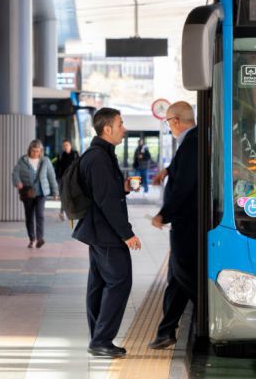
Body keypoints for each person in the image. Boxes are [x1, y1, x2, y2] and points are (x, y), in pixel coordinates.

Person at [72, 107, 141, 358]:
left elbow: (105, 193)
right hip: (106, 233)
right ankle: (101, 339)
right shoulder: (99, 157)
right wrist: (127, 234)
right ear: (107, 129)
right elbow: (105, 201)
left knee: (100, 284)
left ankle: (98, 337)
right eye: (121, 124)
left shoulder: (100, 154)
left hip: (99, 231)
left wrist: (122, 187)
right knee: (120, 281)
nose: (124, 128)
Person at [149, 101, 198, 349]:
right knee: (177, 278)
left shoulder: (191, 142)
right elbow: (185, 171)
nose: (169, 127)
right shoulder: (194, 141)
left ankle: (208, 314)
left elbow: (185, 185)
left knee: (185, 275)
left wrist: (164, 214)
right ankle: (165, 331)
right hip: (187, 223)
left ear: (176, 121)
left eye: (168, 122)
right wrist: (168, 170)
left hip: (187, 224)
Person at [12, 139, 59, 248]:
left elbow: (51, 176)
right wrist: (17, 182)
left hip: (42, 192)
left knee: (40, 214)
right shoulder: (22, 160)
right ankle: (32, 238)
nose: (35, 153)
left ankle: (40, 238)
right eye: (33, 151)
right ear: (29, 150)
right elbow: (15, 173)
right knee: (29, 216)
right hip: (27, 192)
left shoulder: (45, 161)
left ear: (41, 151)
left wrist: (55, 191)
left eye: (38, 151)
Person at [54, 138, 79, 221]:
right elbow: (57, 168)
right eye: (64, 146)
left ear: (70, 146)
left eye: (67, 145)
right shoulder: (60, 155)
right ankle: (62, 212)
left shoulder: (75, 154)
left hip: (73, 179)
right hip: (63, 179)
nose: (65, 147)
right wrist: (58, 178)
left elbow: (79, 166)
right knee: (65, 196)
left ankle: (70, 211)